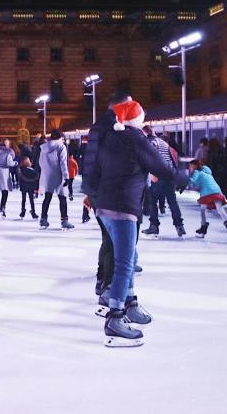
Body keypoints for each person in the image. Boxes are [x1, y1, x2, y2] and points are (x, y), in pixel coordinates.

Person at [95, 98, 188, 347]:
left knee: (130, 257)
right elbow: (158, 165)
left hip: (105, 205)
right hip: (123, 206)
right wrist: (181, 176)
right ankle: (115, 316)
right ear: (138, 120)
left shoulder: (109, 138)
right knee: (125, 262)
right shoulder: (136, 139)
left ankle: (130, 302)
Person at [81, 91, 132, 297]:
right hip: (109, 190)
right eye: (130, 105)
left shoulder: (98, 126)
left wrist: (88, 190)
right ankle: (108, 284)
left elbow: (90, 160)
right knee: (113, 240)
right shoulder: (115, 128)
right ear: (120, 107)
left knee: (107, 237)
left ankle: (103, 278)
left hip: (97, 189)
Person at [140, 125, 185, 238]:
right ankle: (179, 226)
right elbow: (170, 159)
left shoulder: (151, 142)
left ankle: (153, 226)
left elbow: (151, 157)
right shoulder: (163, 143)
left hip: (158, 175)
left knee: (153, 201)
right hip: (169, 175)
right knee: (172, 201)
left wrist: (152, 172)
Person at [189, 159, 227, 238]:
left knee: (203, 210)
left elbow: (192, 181)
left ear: (194, 165)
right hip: (216, 190)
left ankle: (203, 228)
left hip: (206, 192)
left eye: (191, 165)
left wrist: (183, 181)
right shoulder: (207, 171)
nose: (190, 167)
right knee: (220, 209)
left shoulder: (197, 172)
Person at [39, 130, 73, 230]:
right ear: (60, 137)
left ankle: (43, 219)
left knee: (47, 197)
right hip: (58, 174)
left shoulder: (44, 147)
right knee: (62, 198)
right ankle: (64, 220)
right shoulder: (61, 146)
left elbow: (40, 162)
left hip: (47, 174)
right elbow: (63, 162)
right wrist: (66, 176)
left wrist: (45, 171)